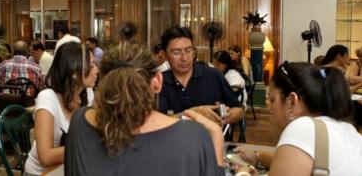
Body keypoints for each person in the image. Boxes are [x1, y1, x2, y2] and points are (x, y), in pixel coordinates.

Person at [65, 42, 224, 176]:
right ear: (158, 81)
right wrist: (216, 138)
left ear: (104, 81)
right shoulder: (193, 136)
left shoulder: (79, 123)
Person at [235, 63, 362, 176]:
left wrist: (242, 173)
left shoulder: (303, 127)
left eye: (272, 100)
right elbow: (296, 159)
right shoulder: (347, 129)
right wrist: (257, 156)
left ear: (292, 101)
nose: (270, 109)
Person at [24, 42, 98, 176]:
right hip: (41, 173)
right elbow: (45, 157)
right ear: (74, 73)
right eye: (91, 65)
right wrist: (88, 146)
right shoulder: (48, 98)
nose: (96, 70)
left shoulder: (88, 93)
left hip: (70, 167)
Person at [157, 26, 243, 125]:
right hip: (171, 140)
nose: (184, 58)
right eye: (176, 53)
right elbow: (154, 124)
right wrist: (194, 114)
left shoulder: (213, 75)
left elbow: (239, 110)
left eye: (188, 50)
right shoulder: (158, 82)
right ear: (164, 55)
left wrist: (228, 115)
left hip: (210, 139)